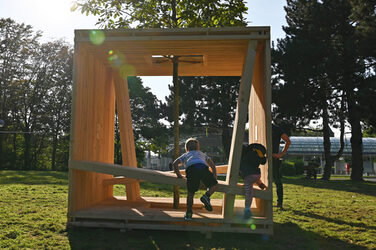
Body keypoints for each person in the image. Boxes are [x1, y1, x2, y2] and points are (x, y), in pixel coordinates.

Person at [172, 138, 218, 221]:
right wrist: (214, 175)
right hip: (203, 168)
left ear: (187, 148)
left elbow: (175, 163)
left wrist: (179, 175)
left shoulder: (186, 155)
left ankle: (189, 213)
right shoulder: (202, 154)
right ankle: (206, 196)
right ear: (198, 147)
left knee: (190, 193)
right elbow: (212, 164)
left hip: (191, 169)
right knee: (214, 185)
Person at [239, 143, 267, 219]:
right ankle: (260, 184)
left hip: (248, 176)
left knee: (249, 193)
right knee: (254, 178)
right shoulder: (257, 156)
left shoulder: (246, 155)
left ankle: (247, 209)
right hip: (257, 174)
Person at [272, 124, 291, 209]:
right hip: (261, 158)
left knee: (277, 181)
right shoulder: (259, 125)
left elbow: (288, 141)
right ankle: (262, 200)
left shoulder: (276, 129)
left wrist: (281, 154)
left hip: (273, 158)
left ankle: (279, 203)